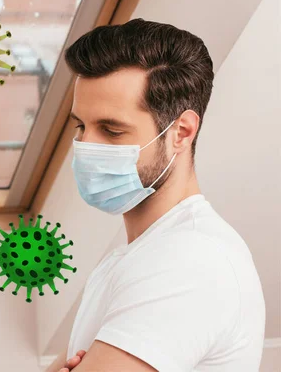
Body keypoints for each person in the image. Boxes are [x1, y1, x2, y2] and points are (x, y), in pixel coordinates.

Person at [48, 18, 266, 372]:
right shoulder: (131, 258)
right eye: (80, 126)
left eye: (112, 130)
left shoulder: (188, 260)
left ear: (181, 132)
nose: (85, 147)